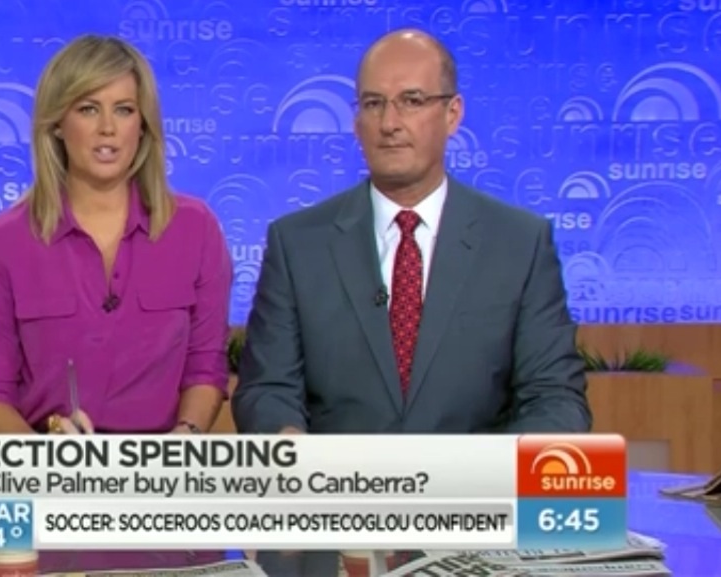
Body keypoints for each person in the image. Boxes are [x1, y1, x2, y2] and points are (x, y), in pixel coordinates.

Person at [232, 30, 592, 576]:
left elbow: (556, 399)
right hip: (332, 539)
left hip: (477, 534)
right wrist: (288, 447)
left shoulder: (519, 243)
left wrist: (481, 484)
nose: (389, 122)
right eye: (373, 103)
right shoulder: (297, 243)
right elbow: (266, 389)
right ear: (356, 120)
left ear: (453, 114)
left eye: (412, 101)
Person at [0, 35, 232, 573]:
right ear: (58, 124)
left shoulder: (195, 229)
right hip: (43, 506)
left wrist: (184, 442)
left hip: (165, 503)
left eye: (124, 110)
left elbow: (206, 369)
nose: (108, 128)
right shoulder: (4, 241)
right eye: (89, 109)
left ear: (143, 125)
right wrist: (48, 464)